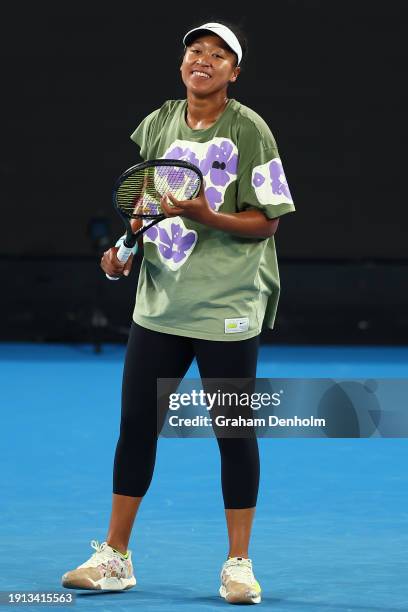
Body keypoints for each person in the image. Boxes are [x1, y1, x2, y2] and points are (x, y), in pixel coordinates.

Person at [61, 21, 295, 605]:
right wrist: (125, 250)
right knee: (136, 426)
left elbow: (268, 220)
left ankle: (238, 565)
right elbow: (149, 197)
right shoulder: (162, 121)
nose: (204, 60)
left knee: (233, 433)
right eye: (196, 51)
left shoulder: (250, 130)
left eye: (219, 55)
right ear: (183, 62)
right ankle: (115, 557)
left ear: (233, 73)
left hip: (228, 306)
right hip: (160, 302)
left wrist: (205, 214)